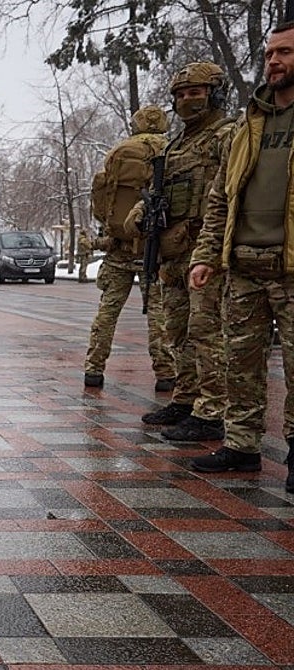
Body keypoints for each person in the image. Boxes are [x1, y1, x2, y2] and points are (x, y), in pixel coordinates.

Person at [189, 22, 294, 488]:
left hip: (291, 268)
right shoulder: (249, 124)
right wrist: (205, 254)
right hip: (244, 266)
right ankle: (242, 445)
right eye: (271, 53)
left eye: (286, 53)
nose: (274, 61)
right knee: (240, 364)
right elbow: (220, 197)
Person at [136, 62, 237, 441]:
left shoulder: (225, 135)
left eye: (195, 93)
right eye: (180, 95)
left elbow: (231, 191)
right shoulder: (176, 144)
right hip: (173, 251)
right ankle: (187, 397)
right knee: (175, 330)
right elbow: (155, 192)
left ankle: (213, 410)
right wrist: (140, 215)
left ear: (214, 94)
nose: (186, 101)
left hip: (205, 253)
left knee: (206, 331)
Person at [83, 105, 176, 391]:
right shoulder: (173, 151)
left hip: (119, 248)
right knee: (159, 318)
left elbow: (101, 199)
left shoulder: (118, 152)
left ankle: (94, 371)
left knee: (107, 314)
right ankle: (165, 375)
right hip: (156, 251)